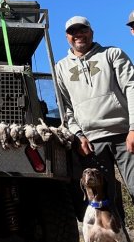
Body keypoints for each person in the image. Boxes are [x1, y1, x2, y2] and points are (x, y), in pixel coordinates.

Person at [55, 15, 134, 221]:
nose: (78, 35)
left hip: (125, 134)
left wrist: (133, 128)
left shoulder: (112, 54)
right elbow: (65, 108)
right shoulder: (61, 68)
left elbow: (132, 88)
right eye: (73, 32)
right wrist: (78, 135)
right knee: (105, 200)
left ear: (91, 32)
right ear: (67, 37)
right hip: (92, 142)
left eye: (83, 30)